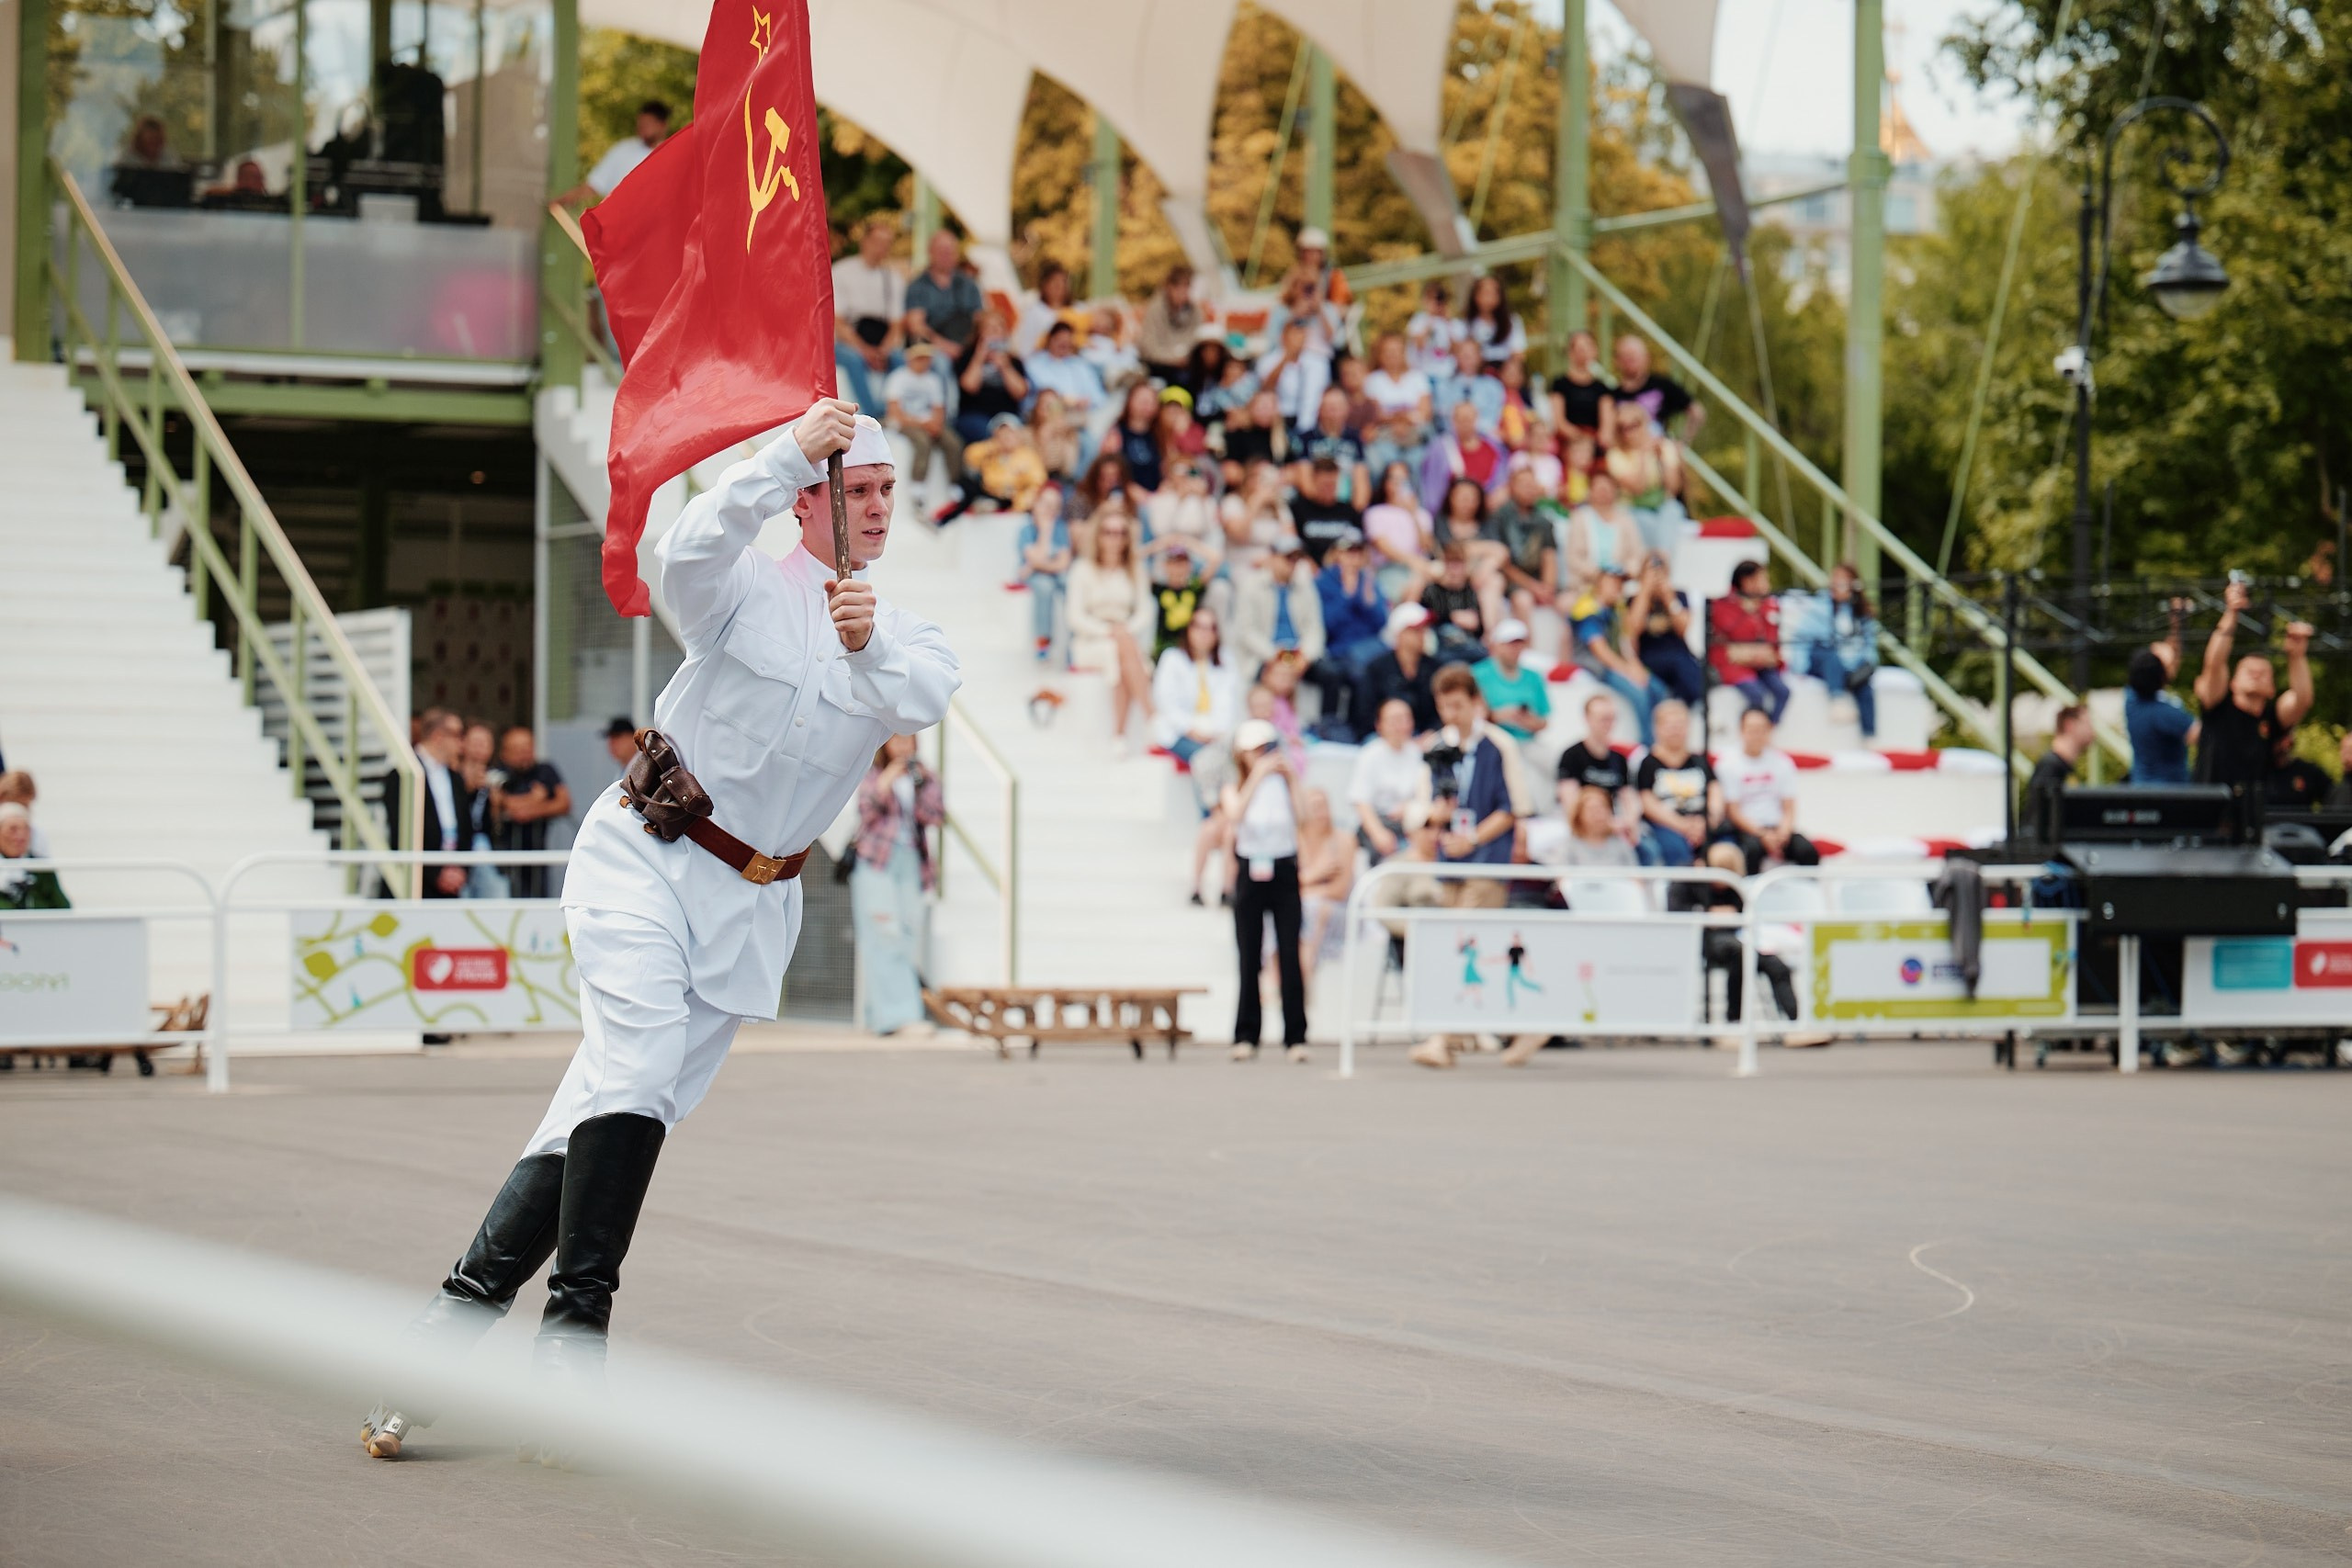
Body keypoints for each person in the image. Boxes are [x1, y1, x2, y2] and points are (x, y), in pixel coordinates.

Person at [358, 402, 957, 1461]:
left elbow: (920, 694)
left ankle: (442, 1337)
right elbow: (684, 549)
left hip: (750, 908)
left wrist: (863, 648)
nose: (875, 510)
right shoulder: (744, 591)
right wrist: (782, 458)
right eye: (856, 490)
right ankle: (572, 1342)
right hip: (645, 855)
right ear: (814, 500)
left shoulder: (901, 631)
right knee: (629, 1073)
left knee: (606, 1109)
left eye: (885, 494)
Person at [1408, 665, 1534, 1070]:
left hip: (1487, 864)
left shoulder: (1498, 745)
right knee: (1474, 953)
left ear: (1475, 703)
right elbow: (1425, 804)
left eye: (1458, 705)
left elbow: (1512, 806)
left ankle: (1443, 1038)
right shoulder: (1436, 747)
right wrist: (1436, 819)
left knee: (1462, 944)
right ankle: (1520, 1027)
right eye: (1445, 706)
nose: (1451, 715)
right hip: (1451, 863)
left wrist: (1474, 838)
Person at [1223, 718, 1308, 1062]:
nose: (1265, 756)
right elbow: (1236, 814)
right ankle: (1246, 1033)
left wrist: (1291, 779)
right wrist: (1257, 775)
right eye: (1257, 750)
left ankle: (1296, 1036)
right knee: (1248, 955)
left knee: (1289, 954)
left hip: (1284, 868)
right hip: (1250, 870)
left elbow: (1304, 818)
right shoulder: (1235, 787)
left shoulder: (1284, 787)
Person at [852, 734, 944, 1037]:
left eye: (909, 740)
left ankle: (877, 1015)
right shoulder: (873, 772)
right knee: (883, 933)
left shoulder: (923, 776)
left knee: (906, 935)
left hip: (911, 861)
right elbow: (867, 810)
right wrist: (889, 779)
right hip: (878, 860)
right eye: (897, 740)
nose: (904, 746)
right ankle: (897, 1017)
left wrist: (923, 784)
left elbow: (934, 815)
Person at [2192, 577, 2313, 798]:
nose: (2256, 675)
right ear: (2233, 683)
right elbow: (2214, 663)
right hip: (2209, 810)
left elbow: (2302, 699)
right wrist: (2231, 614)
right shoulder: (2217, 707)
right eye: (2249, 671)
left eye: (2263, 673)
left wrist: (2296, 657)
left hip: (2253, 817)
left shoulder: (2271, 717)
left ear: (2272, 689)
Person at [1065, 508, 1158, 753]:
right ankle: (1151, 716)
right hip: (1091, 639)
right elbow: (1075, 617)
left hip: (1124, 634)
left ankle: (1120, 736)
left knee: (1120, 650)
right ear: (1099, 535)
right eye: (1108, 532)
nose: (1114, 539)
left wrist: (1123, 630)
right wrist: (1109, 631)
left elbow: (1145, 611)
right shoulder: (1082, 569)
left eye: (1120, 533)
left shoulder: (1135, 569)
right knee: (1120, 650)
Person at [1566, 568, 1661, 745]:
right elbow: (1600, 651)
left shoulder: (1616, 609)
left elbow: (1626, 641)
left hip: (1615, 663)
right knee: (1640, 694)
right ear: (1600, 582)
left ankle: (1662, 742)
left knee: (1658, 689)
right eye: (1613, 582)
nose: (1618, 587)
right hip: (1596, 666)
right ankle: (1647, 745)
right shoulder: (1588, 609)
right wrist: (1628, 671)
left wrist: (1635, 666)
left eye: (1620, 583)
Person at [391, 711, 481, 900]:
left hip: (453, 882)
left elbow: (466, 828)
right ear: (438, 736)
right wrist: (435, 873)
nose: (462, 743)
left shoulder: (455, 778)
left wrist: (461, 869)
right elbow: (401, 831)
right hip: (417, 883)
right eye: (457, 735)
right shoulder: (403, 774)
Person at [1718, 705, 1817, 874]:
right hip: (1747, 829)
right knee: (1752, 851)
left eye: (1761, 730)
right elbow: (1733, 811)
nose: (1757, 735)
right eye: (1752, 730)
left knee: (1808, 851)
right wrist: (1762, 834)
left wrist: (1783, 833)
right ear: (1741, 731)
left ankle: (1810, 896)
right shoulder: (1728, 764)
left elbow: (1789, 806)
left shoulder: (1782, 762)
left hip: (1778, 828)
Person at [1313, 529, 1388, 736]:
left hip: (1369, 647)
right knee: (1361, 674)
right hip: (1339, 650)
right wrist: (1346, 596)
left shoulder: (1369, 580)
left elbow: (1381, 622)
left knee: (1386, 669)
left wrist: (1369, 602)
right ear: (1337, 553)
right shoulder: (1323, 582)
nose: (1353, 557)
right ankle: (1357, 731)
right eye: (1348, 551)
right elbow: (1325, 626)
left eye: (1357, 551)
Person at [1555, 693, 1644, 859]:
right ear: (1588, 719)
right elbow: (1570, 803)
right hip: (1583, 825)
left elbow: (1629, 797)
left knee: (1645, 847)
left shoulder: (1619, 759)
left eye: (1611, 719)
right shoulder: (1572, 756)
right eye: (1603, 719)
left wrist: (1629, 821)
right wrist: (1606, 824)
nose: (1608, 725)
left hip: (1612, 822)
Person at [831, 215, 904, 414]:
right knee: (854, 359)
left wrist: (884, 350)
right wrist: (864, 350)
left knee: (899, 359)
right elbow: (839, 322)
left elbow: (897, 323)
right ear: (865, 241)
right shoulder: (842, 272)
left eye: (886, 243)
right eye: (877, 241)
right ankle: (872, 414)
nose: (882, 248)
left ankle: (897, 411)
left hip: (879, 338)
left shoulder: (893, 278)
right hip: (848, 340)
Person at [1634, 700, 1719, 868]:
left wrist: (1706, 822)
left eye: (1680, 725)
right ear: (1657, 728)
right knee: (1675, 849)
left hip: (1702, 824)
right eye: (1670, 725)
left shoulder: (1700, 762)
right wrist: (1682, 826)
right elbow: (1647, 802)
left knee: (1724, 851)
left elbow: (1716, 793)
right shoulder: (1648, 763)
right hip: (1666, 826)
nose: (1675, 731)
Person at [1802, 563, 1881, 741]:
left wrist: (1865, 665)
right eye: (1835, 579)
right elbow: (1803, 638)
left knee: (1865, 688)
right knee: (1831, 654)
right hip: (1822, 662)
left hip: (1850, 665)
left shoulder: (1862, 614)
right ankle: (1836, 700)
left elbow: (1869, 647)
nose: (1838, 584)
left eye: (1843, 581)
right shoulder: (1819, 607)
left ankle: (1869, 737)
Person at [492, 728, 571, 899]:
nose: (524, 755)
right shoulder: (498, 774)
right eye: (518, 750)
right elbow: (497, 802)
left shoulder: (545, 770)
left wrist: (530, 808)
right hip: (504, 855)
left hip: (538, 854)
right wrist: (534, 799)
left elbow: (564, 803)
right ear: (505, 753)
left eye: (527, 748)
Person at [1230, 536, 1327, 677]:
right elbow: (1246, 631)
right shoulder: (1251, 585)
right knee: (1276, 676)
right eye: (1288, 558)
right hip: (1265, 656)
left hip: (1299, 654)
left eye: (1296, 559)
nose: (1292, 563)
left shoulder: (1305, 586)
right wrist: (1274, 654)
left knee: (1331, 674)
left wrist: (1306, 655)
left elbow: (1314, 627)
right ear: (1273, 557)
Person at [883, 339, 962, 509]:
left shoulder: (933, 380)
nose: (924, 362)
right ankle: (917, 487)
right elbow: (895, 412)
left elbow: (939, 409)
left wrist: (935, 424)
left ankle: (955, 483)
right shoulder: (898, 378)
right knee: (922, 442)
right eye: (920, 358)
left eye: (926, 358)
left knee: (954, 443)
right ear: (910, 358)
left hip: (928, 422)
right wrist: (924, 424)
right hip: (906, 423)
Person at [1708, 560, 1789, 722]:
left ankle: (1767, 730)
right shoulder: (1723, 605)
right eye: (1762, 579)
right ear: (1747, 581)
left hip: (1762, 663)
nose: (1767, 584)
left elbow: (1772, 640)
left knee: (1783, 692)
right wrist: (1749, 614)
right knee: (1756, 694)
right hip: (1733, 665)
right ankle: (1750, 732)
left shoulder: (1769, 605)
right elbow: (1729, 636)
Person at [1348, 697, 1425, 862]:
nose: (1401, 725)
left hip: (1410, 821)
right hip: (1378, 821)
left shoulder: (1417, 754)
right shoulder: (1369, 754)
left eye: (1406, 719)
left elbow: (1423, 794)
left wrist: (1410, 808)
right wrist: (1378, 833)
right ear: (1380, 724)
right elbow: (1361, 801)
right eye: (1395, 720)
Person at [1625, 551, 1705, 705]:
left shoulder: (1679, 596)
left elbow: (1684, 630)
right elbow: (1633, 629)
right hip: (1650, 657)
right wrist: (1645, 592)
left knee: (1688, 669)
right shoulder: (1634, 599)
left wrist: (1669, 599)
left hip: (1678, 654)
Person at [1295, 787, 1355, 987]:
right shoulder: (1293, 841)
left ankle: (1301, 983)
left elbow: (1339, 891)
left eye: (1324, 806)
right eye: (1315, 808)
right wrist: (1316, 874)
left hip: (1336, 912)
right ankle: (1274, 979)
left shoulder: (1344, 840)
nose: (1322, 813)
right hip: (1300, 909)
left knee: (1313, 909)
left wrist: (1303, 888)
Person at [1487, 458, 1555, 627]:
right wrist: (1533, 587)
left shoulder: (1543, 520)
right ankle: (1526, 651)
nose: (1529, 489)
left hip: (1537, 581)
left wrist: (1547, 588)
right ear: (1511, 487)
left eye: (1532, 484)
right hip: (1512, 581)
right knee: (1523, 600)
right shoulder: (1500, 517)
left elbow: (1549, 556)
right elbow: (1503, 562)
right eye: (1523, 484)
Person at [951, 305, 1030, 447]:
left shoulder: (1014, 361)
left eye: (998, 328)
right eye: (988, 328)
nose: (994, 332)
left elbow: (1021, 392)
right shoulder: (967, 357)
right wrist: (979, 358)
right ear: (979, 333)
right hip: (974, 416)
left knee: (1019, 435)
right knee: (991, 435)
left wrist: (1005, 367)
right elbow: (969, 386)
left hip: (1008, 417)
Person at [565, 100, 669, 205]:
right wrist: (562, 200)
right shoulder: (623, 149)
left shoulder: (671, 156)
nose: (642, 129)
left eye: (647, 125)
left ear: (662, 125)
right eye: (640, 125)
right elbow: (594, 185)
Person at [1560, 470, 1645, 596]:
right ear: (1590, 491)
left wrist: (1624, 572)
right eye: (1599, 488)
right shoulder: (1580, 518)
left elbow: (1637, 554)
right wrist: (1600, 575)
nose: (1603, 492)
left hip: (1621, 583)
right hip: (1586, 584)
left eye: (1607, 488)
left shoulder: (1626, 519)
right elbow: (1574, 558)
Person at [1361, 332, 1434, 479]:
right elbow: (1375, 414)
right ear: (1380, 355)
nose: (1392, 355)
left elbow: (1425, 412)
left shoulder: (1417, 377)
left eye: (1396, 351)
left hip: (1415, 436)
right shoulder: (1372, 380)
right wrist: (1402, 418)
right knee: (1383, 463)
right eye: (1387, 352)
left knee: (1418, 463)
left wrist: (1398, 419)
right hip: (1385, 435)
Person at [1360, 604, 1440, 736]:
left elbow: (1439, 712)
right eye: (1415, 630)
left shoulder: (1434, 668)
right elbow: (1365, 714)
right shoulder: (1376, 668)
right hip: (1385, 738)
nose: (1422, 635)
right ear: (1399, 633)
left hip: (1426, 739)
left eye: (1424, 629)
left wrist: (1431, 732)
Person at [1362, 459, 1434, 603]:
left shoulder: (1422, 515)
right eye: (1393, 479)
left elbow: (1427, 546)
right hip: (1389, 569)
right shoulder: (1376, 513)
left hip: (1420, 571)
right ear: (1385, 483)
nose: (1398, 484)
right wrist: (1413, 561)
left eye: (1403, 479)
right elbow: (1383, 547)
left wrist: (1412, 514)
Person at [1013, 484, 1072, 661]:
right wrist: (1045, 532)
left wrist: (1041, 563)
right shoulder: (1026, 530)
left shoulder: (1061, 528)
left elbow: (1064, 562)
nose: (1049, 510)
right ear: (1036, 503)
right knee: (1044, 586)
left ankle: (1072, 642)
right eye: (1046, 504)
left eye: (1054, 506)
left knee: (1070, 584)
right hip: (1035, 578)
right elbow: (1035, 558)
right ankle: (1043, 640)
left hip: (1054, 575)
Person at [2123, 647, 2198, 786]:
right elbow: (2198, 734)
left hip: (2140, 787)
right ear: (2162, 676)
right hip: (2170, 794)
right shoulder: (2164, 714)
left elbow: (2143, 669)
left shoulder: (2131, 701)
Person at [902, 228, 983, 353]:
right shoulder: (918, 286)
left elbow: (980, 320)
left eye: (950, 251)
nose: (946, 256)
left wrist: (968, 348)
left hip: (967, 346)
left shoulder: (969, 284)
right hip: (933, 348)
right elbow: (916, 326)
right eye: (941, 251)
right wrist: (946, 347)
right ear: (930, 252)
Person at [1608, 333, 1702, 440]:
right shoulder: (1610, 396)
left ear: (1646, 358)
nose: (1629, 361)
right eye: (1626, 357)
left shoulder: (1662, 385)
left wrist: (1681, 444)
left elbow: (1696, 412)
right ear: (1617, 361)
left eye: (1634, 357)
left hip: (1657, 450)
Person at [1419, 396, 1502, 517]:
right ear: (1453, 421)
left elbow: (1501, 482)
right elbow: (1432, 489)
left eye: (1468, 419)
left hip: (1485, 511)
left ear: (1476, 419)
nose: (1465, 424)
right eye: (1460, 419)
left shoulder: (1492, 447)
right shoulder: (1440, 448)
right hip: (1449, 514)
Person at [2023, 704, 2092, 846]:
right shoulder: (2050, 767)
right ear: (2069, 725)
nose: (2092, 731)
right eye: (2087, 724)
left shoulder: (2063, 768)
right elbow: (2038, 817)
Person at [1470, 620, 1549, 742]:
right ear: (1496, 645)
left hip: (1526, 742)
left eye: (1519, 643)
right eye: (1510, 643)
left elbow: (1544, 720)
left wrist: (1528, 721)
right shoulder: (1477, 674)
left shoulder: (1534, 677)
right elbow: (1469, 713)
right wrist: (1496, 716)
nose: (1515, 648)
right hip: (1489, 741)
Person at [1294, 387, 1371, 506]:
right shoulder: (1306, 438)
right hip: (1315, 506)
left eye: (1338, 407)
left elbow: (1361, 479)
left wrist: (1355, 511)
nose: (1334, 412)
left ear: (1347, 409)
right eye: (1329, 407)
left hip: (1347, 505)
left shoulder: (1355, 439)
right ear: (1320, 410)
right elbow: (1304, 479)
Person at [1254, 315, 1329, 434]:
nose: (1299, 338)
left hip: (1311, 421)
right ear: (1284, 335)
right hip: (1279, 420)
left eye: (1302, 333)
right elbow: (1266, 388)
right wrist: (1288, 357)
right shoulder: (1268, 360)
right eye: (1295, 333)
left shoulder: (1318, 362)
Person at [1024, 321, 1107, 421]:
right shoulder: (1035, 363)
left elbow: (1098, 398)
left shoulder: (1080, 365)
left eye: (1067, 341)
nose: (1064, 345)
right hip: (1049, 416)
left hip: (1082, 418)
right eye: (1060, 340)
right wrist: (1067, 401)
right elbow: (1043, 392)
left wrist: (1087, 402)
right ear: (1050, 339)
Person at [1290, 456, 1364, 565]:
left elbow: (1360, 547)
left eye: (1332, 485)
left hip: (1340, 569)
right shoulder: (1299, 509)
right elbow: (1295, 544)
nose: (1329, 490)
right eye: (1324, 485)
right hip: (1308, 568)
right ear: (1314, 481)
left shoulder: (1348, 511)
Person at [1431, 335, 1504, 445]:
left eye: (1472, 353)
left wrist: (1473, 429)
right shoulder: (1443, 386)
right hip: (1452, 440)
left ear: (1480, 357)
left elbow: (1493, 418)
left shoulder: (1493, 386)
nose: (1467, 356)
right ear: (1456, 356)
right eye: (1463, 352)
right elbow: (1442, 418)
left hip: (1484, 438)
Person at [1136, 265, 1202, 383]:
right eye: (1178, 287)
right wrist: (1173, 359)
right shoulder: (1155, 310)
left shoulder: (1195, 311)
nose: (1182, 293)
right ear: (1168, 287)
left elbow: (1197, 339)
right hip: (1159, 365)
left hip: (1186, 363)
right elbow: (1149, 348)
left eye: (1186, 287)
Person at [0, 802, 66, 910]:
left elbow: (62, 906)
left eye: (26, 829)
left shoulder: (40, 867)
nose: (20, 836)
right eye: (13, 829)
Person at [1548, 328, 1609, 437]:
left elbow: (1606, 426)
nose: (1584, 351)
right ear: (1570, 352)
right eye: (1579, 348)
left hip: (1593, 444)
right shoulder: (1559, 384)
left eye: (1588, 346)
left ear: (1595, 350)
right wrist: (1580, 439)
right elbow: (1559, 422)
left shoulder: (1602, 388)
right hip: (1569, 442)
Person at [1562, 784, 1637, 870]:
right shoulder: (1570, 845)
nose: (1598, 815)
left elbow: (1635, 877)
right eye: (1592, 810)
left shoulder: (1620, 843)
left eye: (1602, 809)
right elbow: (1563, 880)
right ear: (1579, 815)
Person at [1463, 275, 1527, 366]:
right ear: (1475, 296)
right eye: (1486, 293)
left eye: (1494, 293)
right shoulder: (1465, 324)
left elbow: (1518, 354)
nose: (1490, 298)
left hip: (1504, 373)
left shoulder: (1512, 321)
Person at [2266, 729, 2333, 813]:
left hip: (2301, 824)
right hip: (2267, 824)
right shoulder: (2258, 771)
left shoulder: (2308, 771)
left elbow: (2332, 794)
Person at [1404, 279, 1462, 375]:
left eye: (1439, 298)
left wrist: (1448, 323)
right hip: (1423, 372)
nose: (1435, 302)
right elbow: (1419, 344)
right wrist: (1429, 320)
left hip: (1447, 372)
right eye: (1431, 298)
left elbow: (1457, 350)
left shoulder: (1454, 323)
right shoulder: (1418, 320)